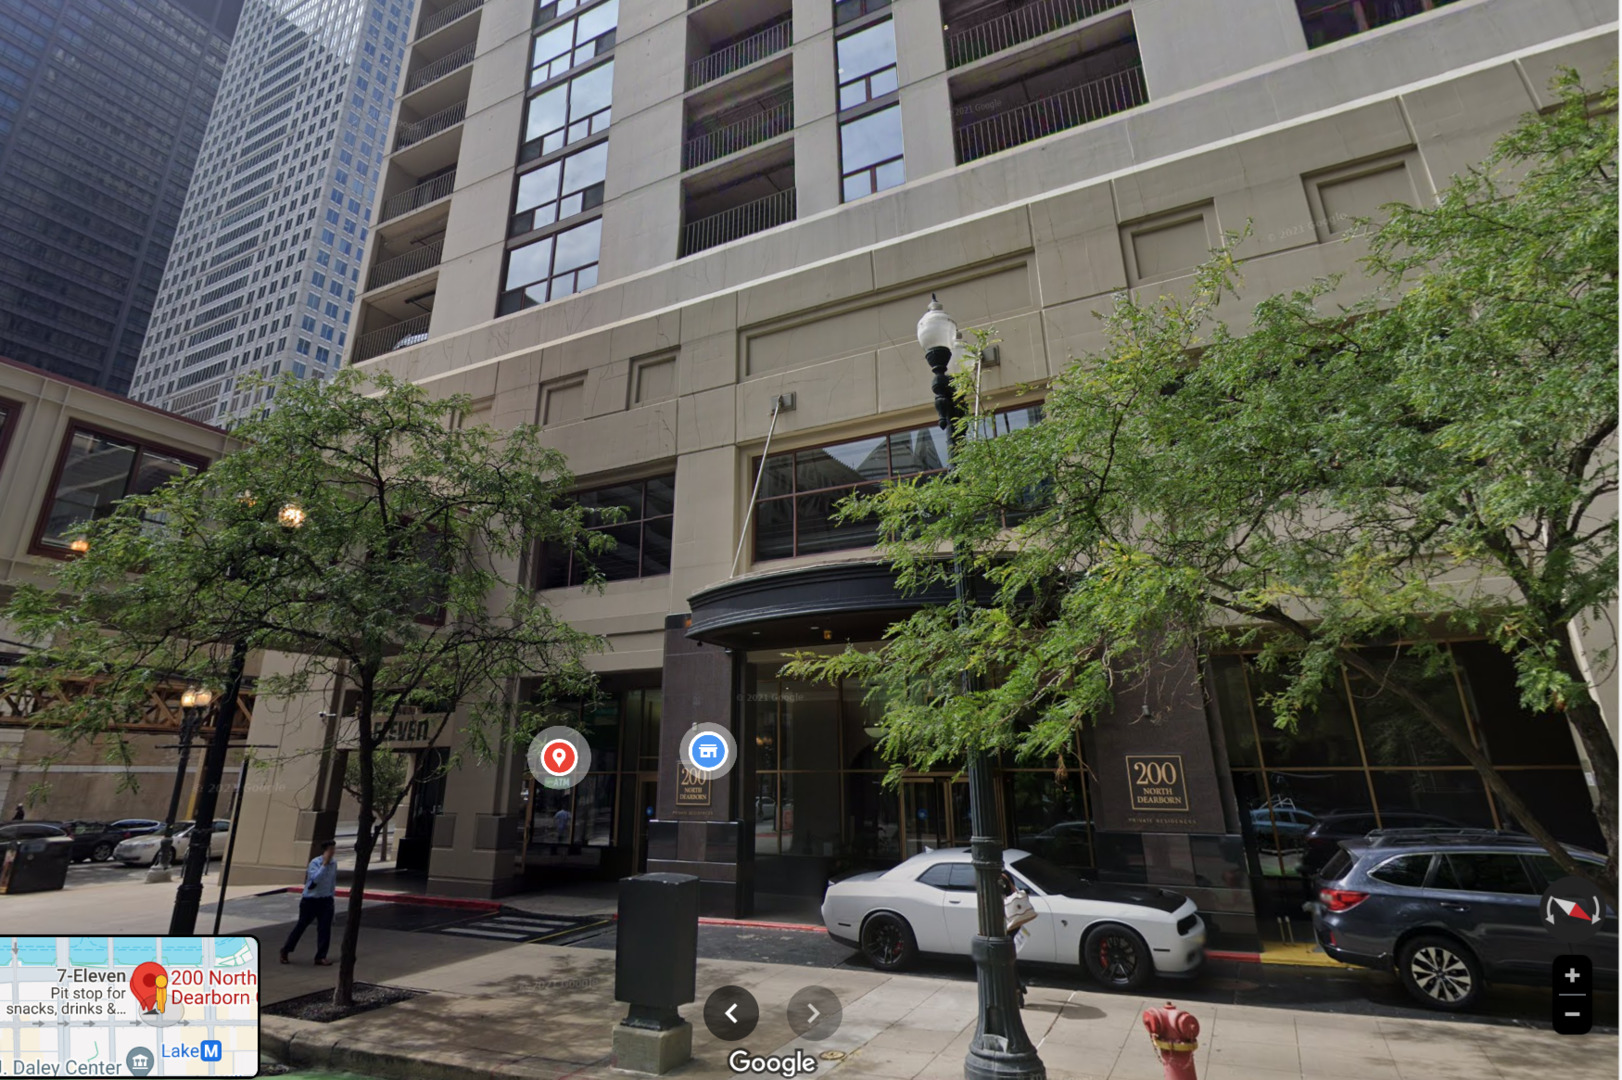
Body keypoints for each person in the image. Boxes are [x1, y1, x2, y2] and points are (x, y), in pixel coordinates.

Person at [281, 840, 338, 966]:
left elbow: (332, 882)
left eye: (333, 849)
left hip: (326, 900)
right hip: (310, 900)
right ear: (325, 850)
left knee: (324, 929)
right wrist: (324, 864)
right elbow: (315, 879)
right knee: (301, 926)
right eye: (330, 849)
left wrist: (332, 898)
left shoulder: (334, 864)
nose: (332, 852)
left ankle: (321, 956)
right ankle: (286, 950)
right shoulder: (315, 863)